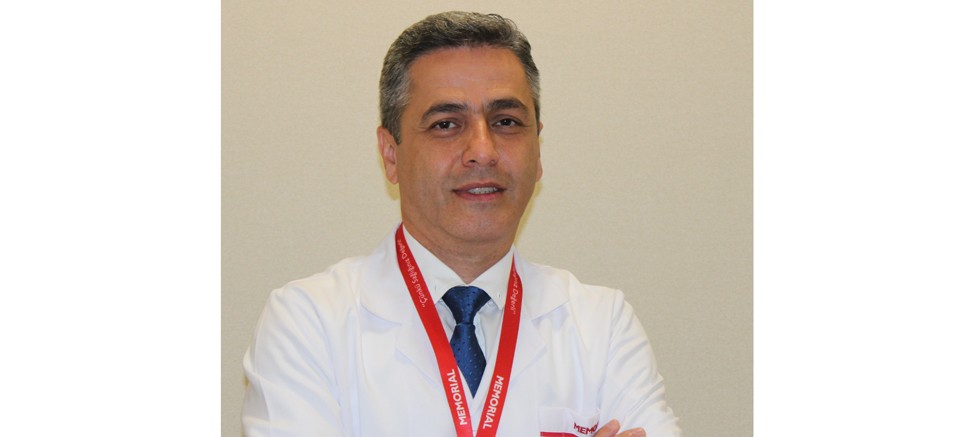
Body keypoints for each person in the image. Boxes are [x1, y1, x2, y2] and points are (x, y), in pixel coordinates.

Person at [242, 11, 681, 437]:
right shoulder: (308, 322)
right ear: (391, 154)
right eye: (446, 124)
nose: (483, 151)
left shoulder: (601, 325)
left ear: (538, 149)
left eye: (506, 122)